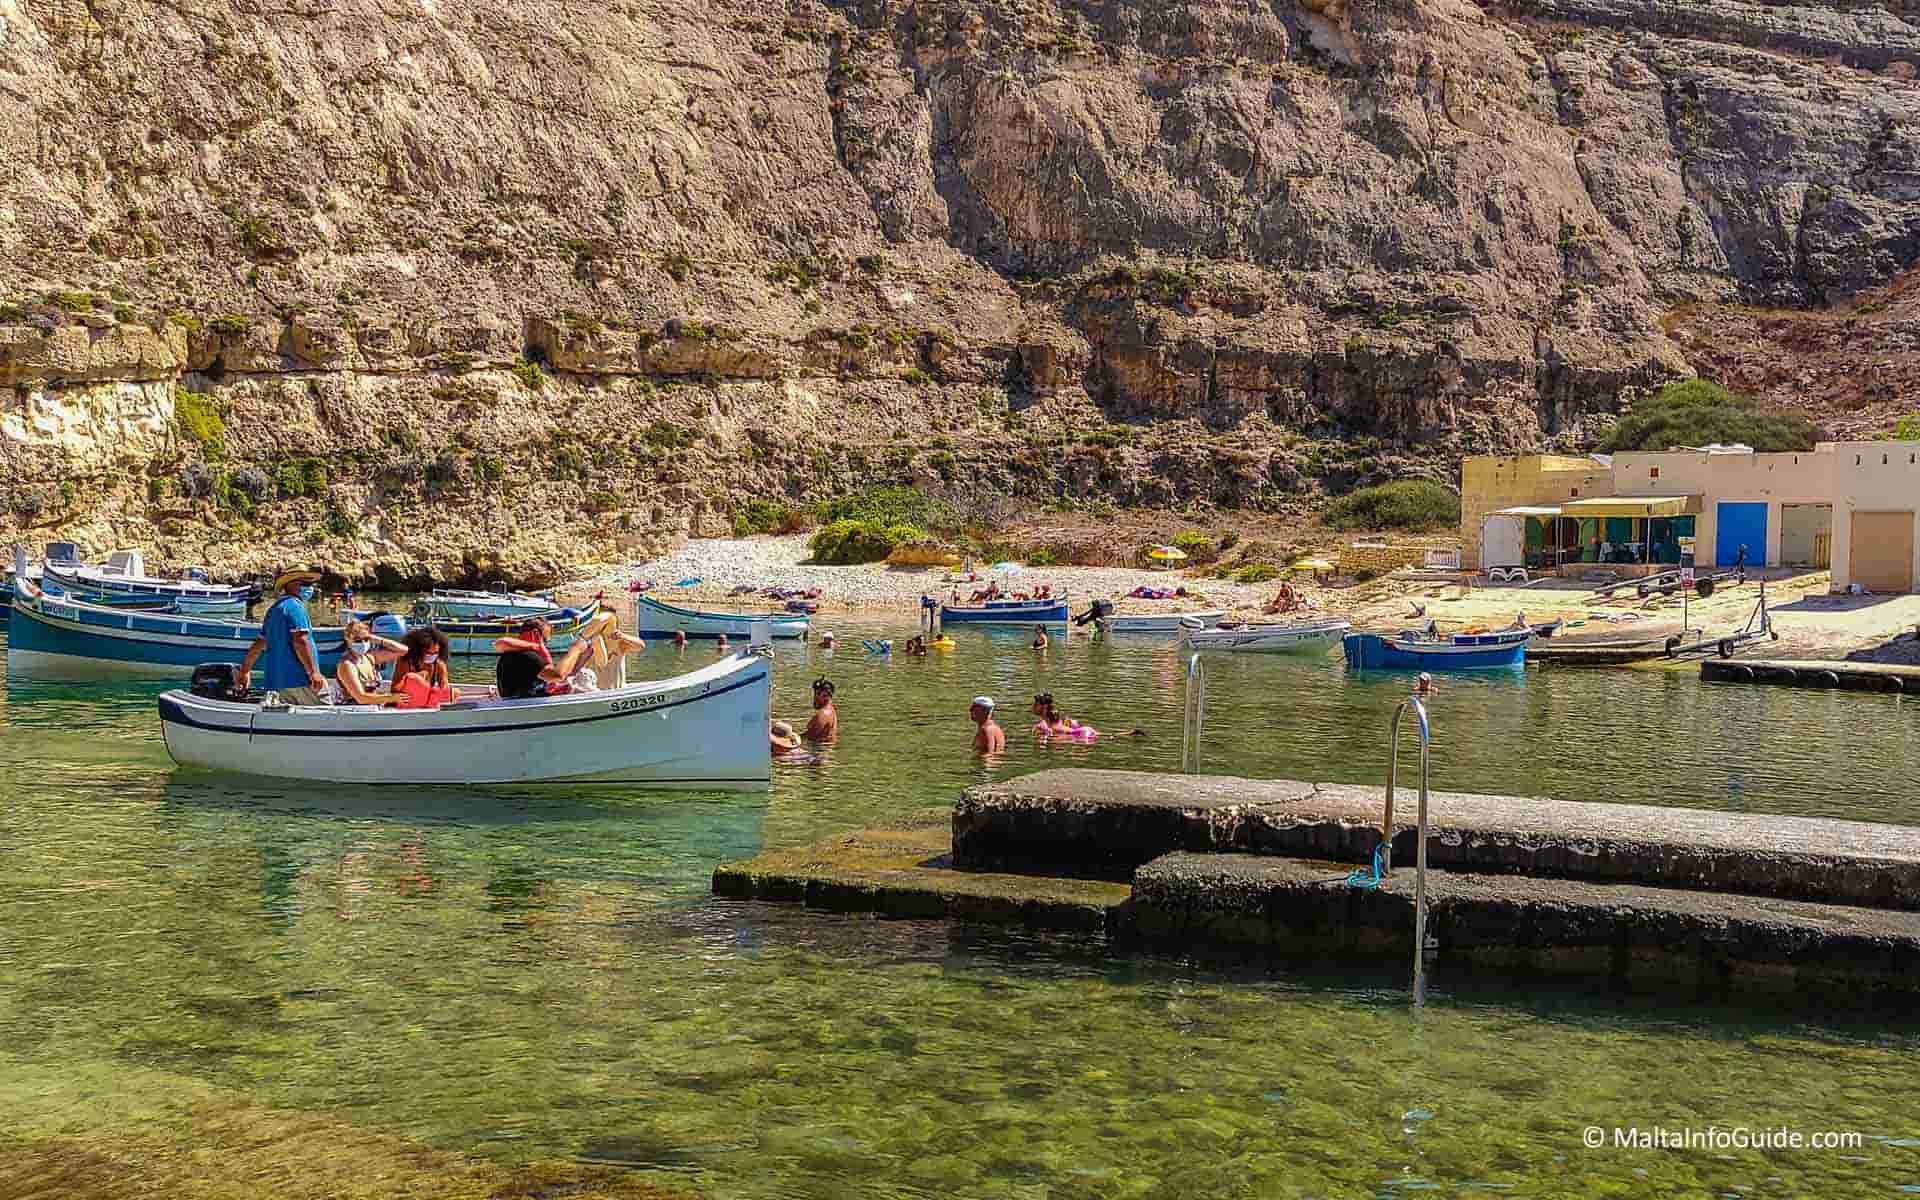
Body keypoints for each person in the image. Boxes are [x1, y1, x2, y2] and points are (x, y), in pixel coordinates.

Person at [238, 567, 329, 704]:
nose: (311, 588)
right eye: (306, 584)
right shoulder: (295, 607)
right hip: (300, 680)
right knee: (324, 717)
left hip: (275, 682)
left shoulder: (274, 609)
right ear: (291, 584)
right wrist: (313, 672)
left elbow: (259, 644)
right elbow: (300, 641)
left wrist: (244, 671)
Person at [332, 619, 408, 705]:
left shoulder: (369, 658)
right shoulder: (347, 665)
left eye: (366, 639)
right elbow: (361, 698)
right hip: (351, 712)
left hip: (370, 709)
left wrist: (376, 639)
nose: (363, 643)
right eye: (357, 640)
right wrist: (392, 698)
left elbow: (403, 651)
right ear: (348, 640)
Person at [390, 627, 456, 709]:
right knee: (413, 678)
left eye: (435, 653)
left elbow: (444, 689)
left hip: (428, 704)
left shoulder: (439, 664)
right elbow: (394, 689)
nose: (432, 656)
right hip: (407, 703)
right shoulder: (406, 662)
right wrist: (417, 679)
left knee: (455, 692)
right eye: (428, 653)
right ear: (418, 650)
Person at [805, 678, 838, 742]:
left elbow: (808, 737)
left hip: (818, 750)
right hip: (827, 749)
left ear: (826, 696)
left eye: (818, 694)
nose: (815, 698)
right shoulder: (832, 709)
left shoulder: (822, 715)